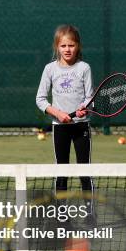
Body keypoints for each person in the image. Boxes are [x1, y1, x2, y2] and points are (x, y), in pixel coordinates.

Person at [35, 24, 94, 195]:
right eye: (63, 46)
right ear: (57, 47)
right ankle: (61, 215)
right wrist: (58, 114)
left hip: (81, 126)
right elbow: (40, 99)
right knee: (61, 172)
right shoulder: (50, 69)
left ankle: (90, 215)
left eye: (71, 45)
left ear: (78, 46)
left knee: (85, 172)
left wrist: (86, 107)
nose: (67, 49)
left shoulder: (84, 68)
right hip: (59, 127)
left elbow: (89, 97)